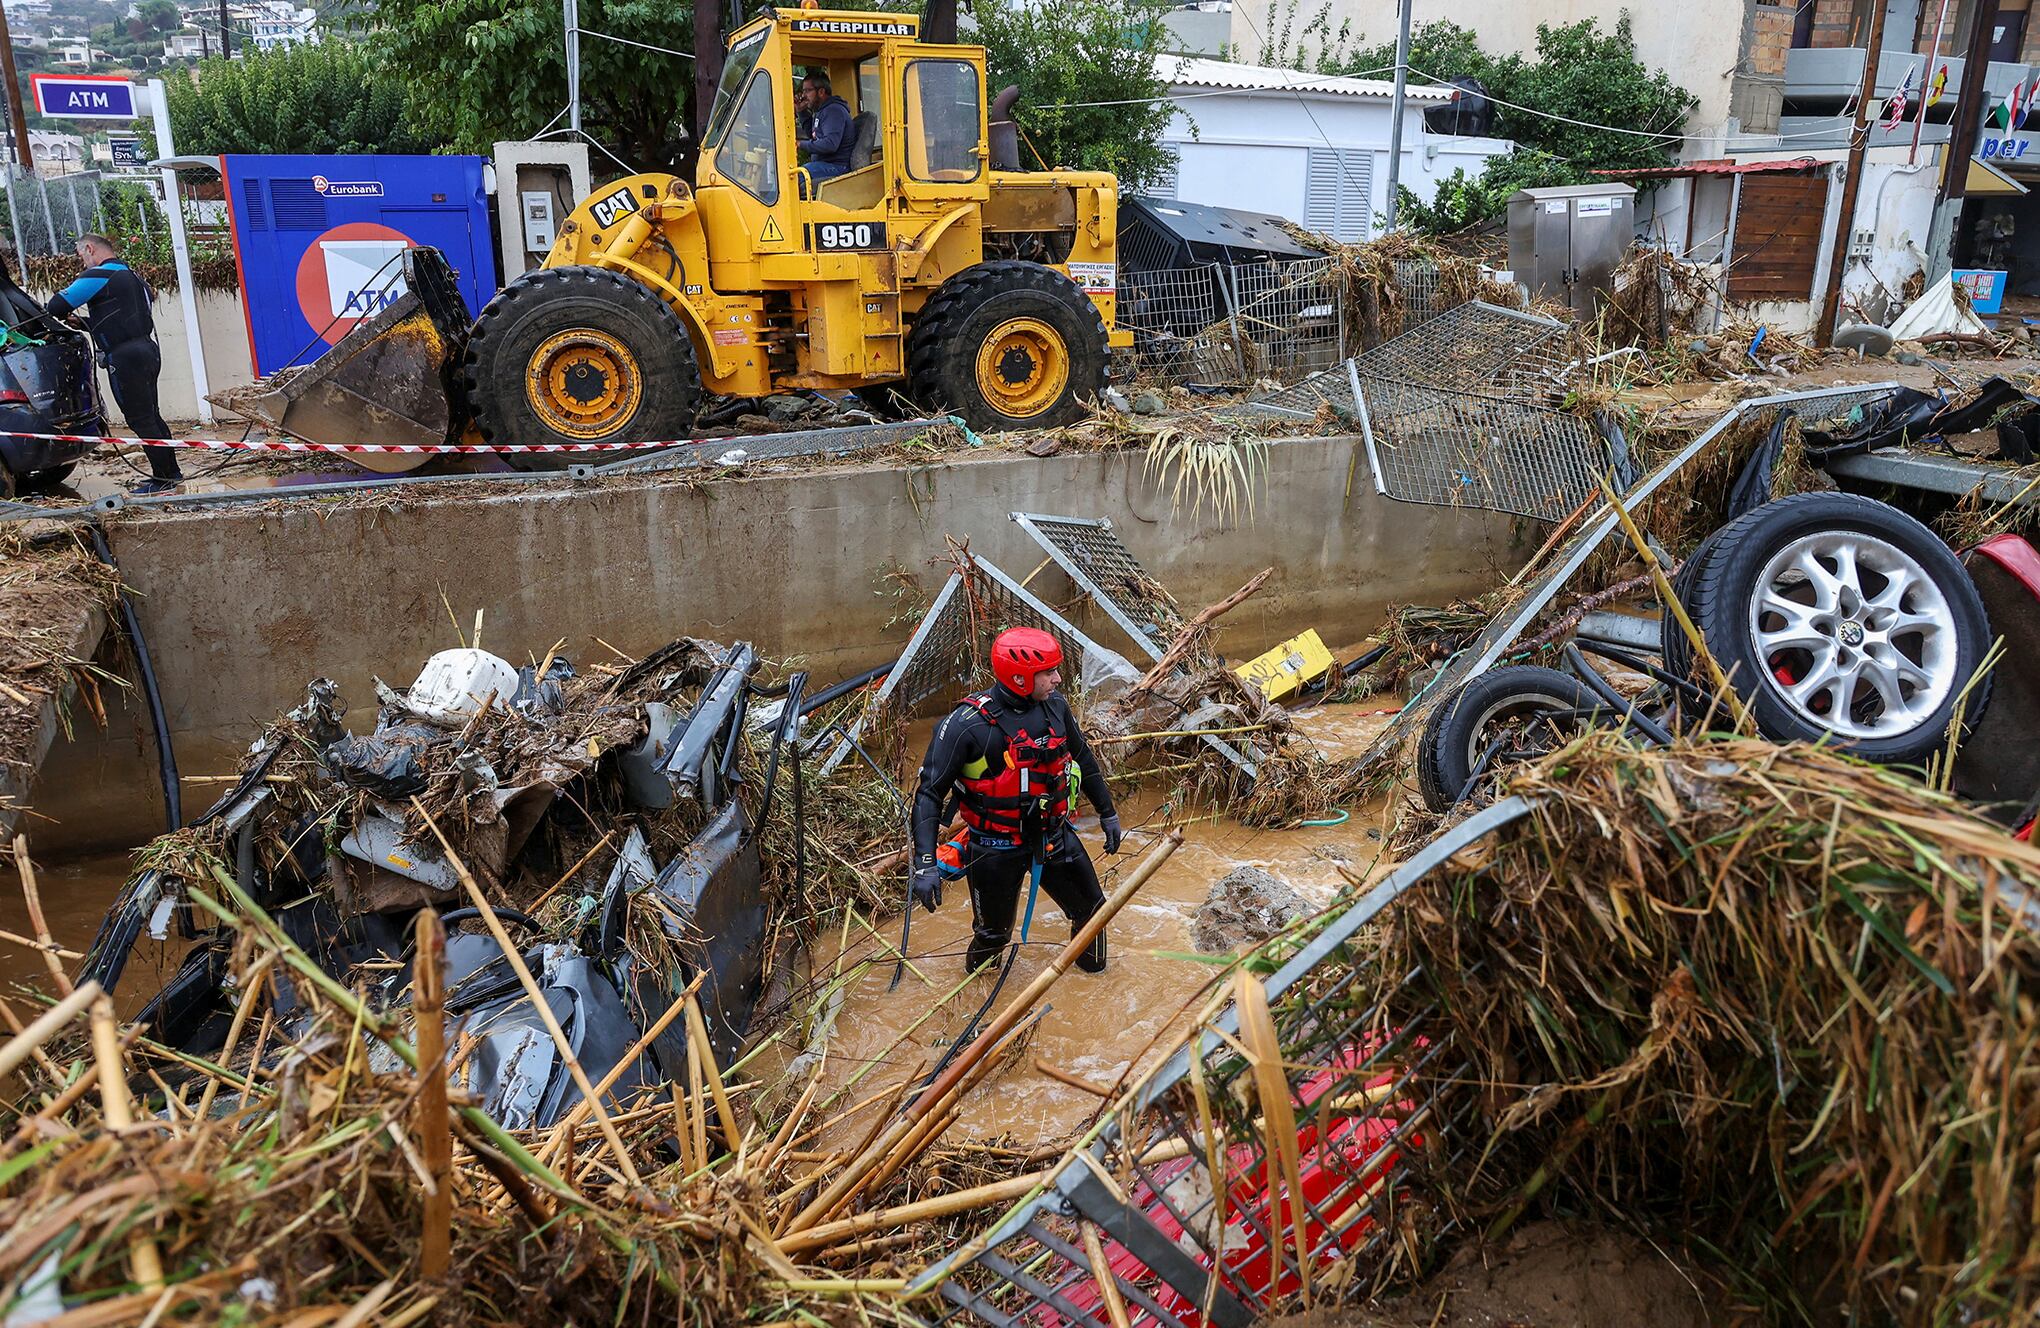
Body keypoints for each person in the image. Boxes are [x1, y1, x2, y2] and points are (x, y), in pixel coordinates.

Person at [910, 627, 1124, 974]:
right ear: (1021, 677)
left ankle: (1094, 985)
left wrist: (1108, 813)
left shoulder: (1055, 706)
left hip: (1051, 836)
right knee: (993, 936)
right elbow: (929, 794)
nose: (1057, 678)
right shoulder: (966, 725)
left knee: (1094, 914)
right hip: (995, 848)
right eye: (1049, 672)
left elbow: (1083, 757)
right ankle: (975, 1002)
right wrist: (924, 864)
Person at [46, 233, 179, 494]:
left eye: (81, 255)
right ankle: (169, 473)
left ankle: (164, 480)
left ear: (89, 248)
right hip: (147, 349)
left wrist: (68, 315)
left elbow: (56, 305)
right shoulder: (132, 276)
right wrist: (86, 323)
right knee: (151, 415)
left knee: (140, 419)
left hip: (124, 357)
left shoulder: (99, 275)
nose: (82, 261)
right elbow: (125, 315)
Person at [795, 71, 856, 183]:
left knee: (794, 176)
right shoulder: (821, 111)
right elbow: (812, 135)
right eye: (803, 91)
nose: (803, 95)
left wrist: (800, 144)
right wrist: (801, 111)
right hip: (824, 164)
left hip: (837, 167)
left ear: (821, 92)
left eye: (808, 91)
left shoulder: (834, 111)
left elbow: (830, 144)